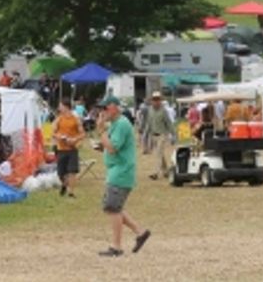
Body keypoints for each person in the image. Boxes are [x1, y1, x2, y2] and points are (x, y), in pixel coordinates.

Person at [97, 96, 150, 258]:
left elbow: (113, 147)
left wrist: (101, 131)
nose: (103, 112)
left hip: (121, 171)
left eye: (106, 108)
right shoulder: (115, 124)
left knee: (113, 208)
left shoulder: (121, 124)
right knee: (111, 206)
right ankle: (140, 232)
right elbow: (111, 146)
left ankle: (116, 246)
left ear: (115, 107)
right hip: (117, 170)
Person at [53, 99, 85, 198]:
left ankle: (71, 192)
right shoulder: (59, 119)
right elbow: (53, 132)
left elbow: (83, 133)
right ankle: (64, 184)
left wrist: (75, 139)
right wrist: (58, 137)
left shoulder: (75, 119)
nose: (59, 108)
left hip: (72, 148)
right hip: (61, 148)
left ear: (66, 107)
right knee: (60, 173)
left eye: (60, 106)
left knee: (72, 171)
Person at [140, 92, 175, 180]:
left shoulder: (164, 111)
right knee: (161, 154)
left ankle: (156, 173)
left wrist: (173, 135)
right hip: (153, 135)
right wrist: (145, 134)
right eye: (154, 100)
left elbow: (169, 124)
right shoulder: (150, 110)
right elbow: (148, 123)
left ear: (160, 100)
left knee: (158, 153)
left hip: (162, 135)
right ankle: (166, 171)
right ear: (152, 101)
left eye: (158, 99)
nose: (156, 101)